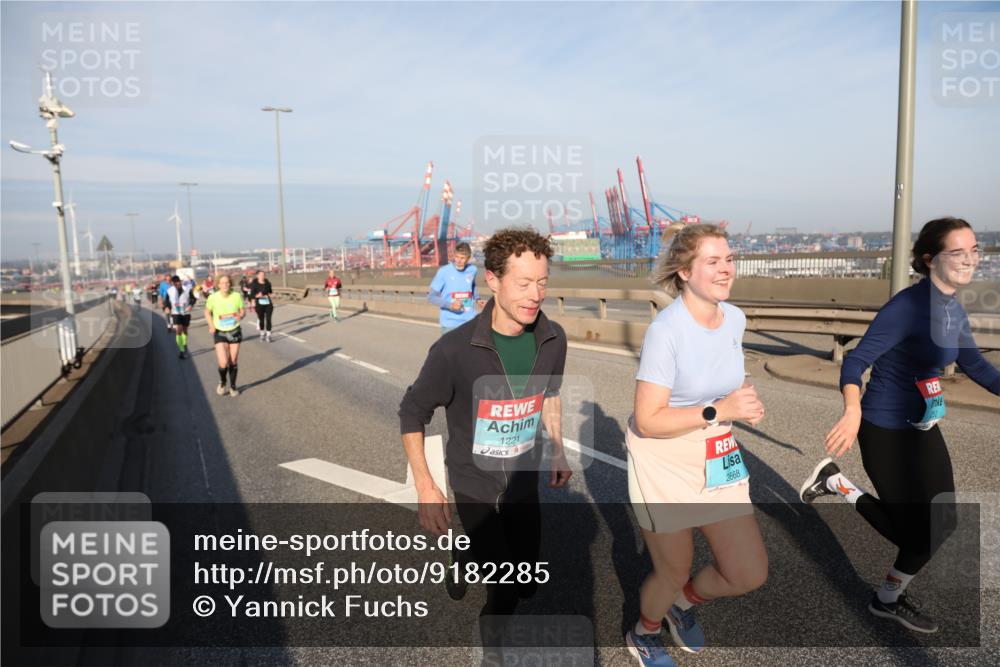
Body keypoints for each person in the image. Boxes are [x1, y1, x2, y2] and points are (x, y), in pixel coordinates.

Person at [800, 217, 999, 633]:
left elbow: (975, 364)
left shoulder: (952, 307)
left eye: (974, 250)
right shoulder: (907, 307)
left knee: (944, 523)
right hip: (885, 427)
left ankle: (885, 597)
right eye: (957, 252)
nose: (970, 259)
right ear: (930, 260)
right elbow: (856, 360)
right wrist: (852, 411)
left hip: (923, 426)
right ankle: (840, 488)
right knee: (919, 537)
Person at [399, 228, 572, 652]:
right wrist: (425, 483)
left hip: (522, 480)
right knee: (508, 591)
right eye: (523, 283)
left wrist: (558, 448)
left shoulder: (553, 339)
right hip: (473, 482)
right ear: (493, 280)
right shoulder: (454, 350)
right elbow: (412, 411)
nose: (536, 295)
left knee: (527, 581)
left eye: (542, 282)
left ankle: (465, 557)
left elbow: (549, 394)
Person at [625, 224, 767, 667]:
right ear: (685, 272)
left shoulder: (735, 318)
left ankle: (680, 606)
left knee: (747, 572)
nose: (726, 268)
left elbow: (725, 374)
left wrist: (743, 398)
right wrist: (718, 410)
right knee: (673, 570)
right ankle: (644, 632)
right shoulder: (666, 332)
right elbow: (648, 420)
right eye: (713, 261)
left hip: (715, 453)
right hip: (663, 458)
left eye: (728, 258)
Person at [204, 274, 245, 397]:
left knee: (233, 361)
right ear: (218, 284)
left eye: (227, 282)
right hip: (220, 332)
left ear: (230, 283)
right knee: (223, 362)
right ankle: (222, 382)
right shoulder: (213, 297)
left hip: (234, 331)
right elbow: (207, 312)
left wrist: (241, 315)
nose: (225, 285)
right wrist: (211, 325)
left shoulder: (237, 296)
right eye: (222, 283)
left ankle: (233, 386)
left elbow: (242, 310)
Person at [428, 242, 478, 334]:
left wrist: (478, 299)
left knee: (469, 349)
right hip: (450, 323)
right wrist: (450, 305)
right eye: (457, 257)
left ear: (468, 258)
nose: (458, 261)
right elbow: (431, 297)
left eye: (462, 258)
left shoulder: (473, 270)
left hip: (469, 320)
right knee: (449, 349)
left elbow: (472, 285)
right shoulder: (444, 272)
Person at [166, 275, 194, 359]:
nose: (176, 284)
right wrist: (167, 307)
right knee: (178, 330)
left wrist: (191, 305)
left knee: (185, 331)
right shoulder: (169, 291)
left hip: (186, 312)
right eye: (174, 283)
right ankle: (181, 350)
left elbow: (193, 298)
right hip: (176, 313)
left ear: (180, 281)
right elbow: (167, 301)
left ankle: (184, 344)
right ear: (172, 283)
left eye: (177, 282)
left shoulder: (187, 289)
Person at [250, 270, 274, 342]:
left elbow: (270, 292)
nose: (262, 276)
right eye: (261, 275)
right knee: (261, 320)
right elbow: (252, 295)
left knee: (268, 319)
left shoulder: (268, 283)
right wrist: (256, 297)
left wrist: (270, 295)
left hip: (268, 303)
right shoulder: (254, 284)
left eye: (263, 275)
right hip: (259, 304)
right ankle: (262, 333)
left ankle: (268, 335)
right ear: (257, 276)